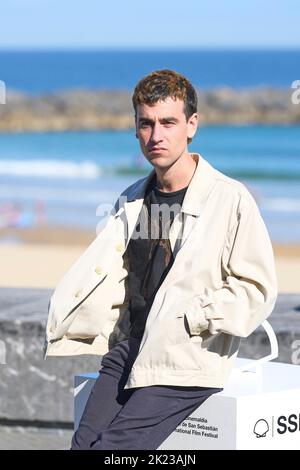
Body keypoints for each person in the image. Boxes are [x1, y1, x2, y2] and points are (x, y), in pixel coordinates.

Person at [44, 69, 278, 450]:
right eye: (146, 124)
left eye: (168, 122)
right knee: (82, 446)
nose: (156, 136)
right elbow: (114, 277)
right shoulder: (132, 198)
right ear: (136, 128)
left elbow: (258, 290)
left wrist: (194, 318)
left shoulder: (230, 199)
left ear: (191, 125)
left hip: (184, 359)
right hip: (129, 350)